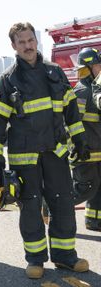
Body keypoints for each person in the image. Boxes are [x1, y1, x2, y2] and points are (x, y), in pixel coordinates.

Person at [0, 22, 90, 279]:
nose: (28, 46)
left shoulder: (55, 72)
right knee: (30, 209)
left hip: (56, 154)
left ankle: (66, 257)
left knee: (63, 203)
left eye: (30, 40)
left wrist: (80, 140)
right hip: (25, 158)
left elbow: (71, 110)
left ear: (36, 41)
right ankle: (35, 259)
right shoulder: (8, 80)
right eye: (22, 42)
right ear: (14, 46)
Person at [72, 48, 101, 231]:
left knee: (98, 188)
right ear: (89, 68)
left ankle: (94, 220)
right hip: (86, 152)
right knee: (85, 188)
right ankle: (51, 207)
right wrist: (76, 147)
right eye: (98, 65)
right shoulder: (81, 92)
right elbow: (70, 124)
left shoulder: (96, 89)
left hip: (98, 151)